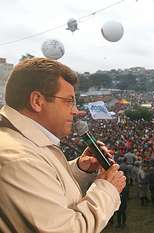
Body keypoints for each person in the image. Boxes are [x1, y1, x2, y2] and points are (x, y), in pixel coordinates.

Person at [0, 58, 126, 233]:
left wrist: (80, 169)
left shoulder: (22, 145)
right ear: (37, 101)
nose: (75, 111)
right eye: (69, 101)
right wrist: (107, 189)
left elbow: (45, 184)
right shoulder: (19, 160)